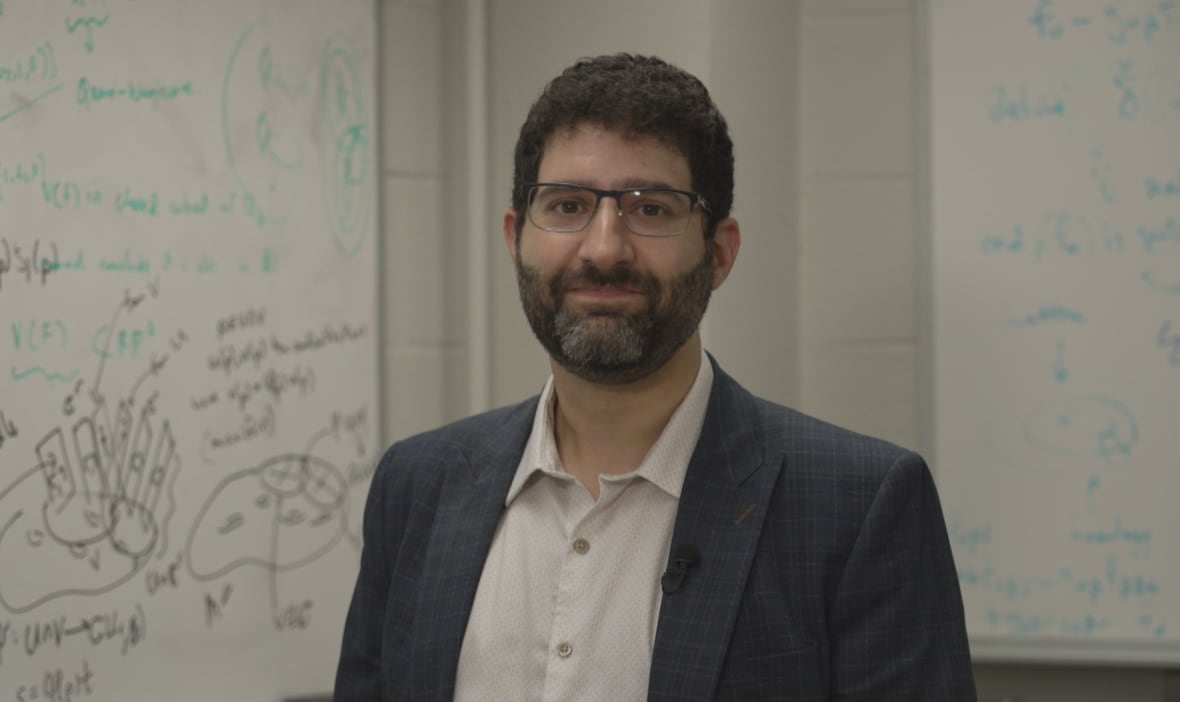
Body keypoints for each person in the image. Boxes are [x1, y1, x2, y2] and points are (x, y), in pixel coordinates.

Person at [334, 53, 977, 701]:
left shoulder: (858, 505)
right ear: (515, 237)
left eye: (650, 209)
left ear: (719, 251)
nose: (604, 247)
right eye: (566, 206)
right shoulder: (417, 486)